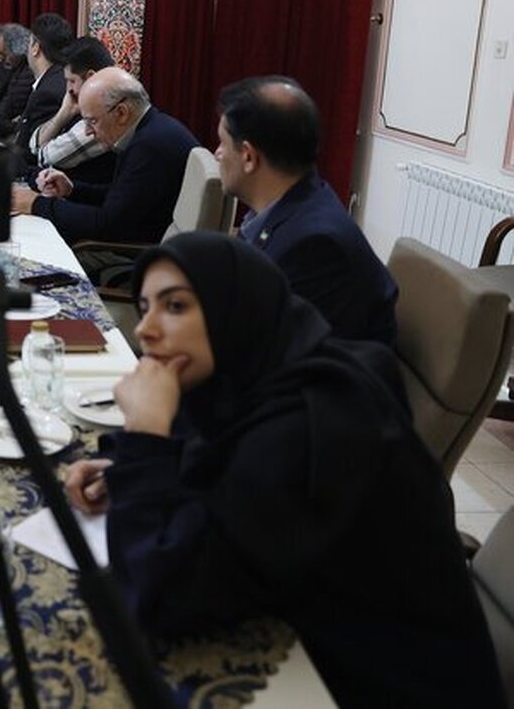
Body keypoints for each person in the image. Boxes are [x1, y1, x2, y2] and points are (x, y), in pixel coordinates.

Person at [64, 233, 505, 708]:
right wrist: (126, 467)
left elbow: (160, 597)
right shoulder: (273, 368)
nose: (146, 330)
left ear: (235, 306)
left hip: (382, 687)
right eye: (144, 307)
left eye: (175, 306)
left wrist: (146, 442)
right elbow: (219, 448)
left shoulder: (313, 423)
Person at [215, 76, 397, 344]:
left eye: (222, 142)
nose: (218, 153)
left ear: (248, 157)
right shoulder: (295, 202)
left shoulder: (314, 244)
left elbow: (261, 348)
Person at [12, 68, 197, 283]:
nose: (88, 132)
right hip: (140, 242)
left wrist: (36, 204)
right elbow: (121, 197)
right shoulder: (152, 129)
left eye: (92, 121)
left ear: (121, 112)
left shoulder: (149, 147)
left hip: (141, 258)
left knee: (37, 261)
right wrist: (72, 190)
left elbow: (107, 225)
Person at [28, 35, 118, 185]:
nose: (69, 89)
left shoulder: (107, 111)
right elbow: (34, 145)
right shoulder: (82, 105)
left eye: (72, 81)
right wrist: (65, 112)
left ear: (91, 77)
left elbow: (47, 157)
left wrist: (44, 146)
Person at [12, 12, 74, 164]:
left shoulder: (48, 92)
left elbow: (28, 153)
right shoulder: (59, 79)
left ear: (35, 48)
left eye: (29, 43)